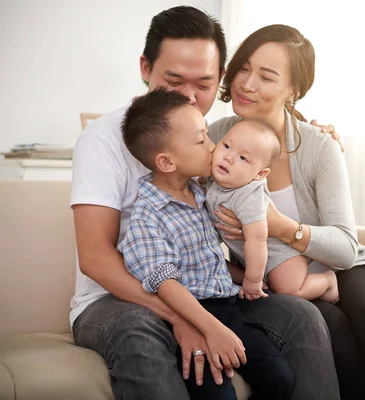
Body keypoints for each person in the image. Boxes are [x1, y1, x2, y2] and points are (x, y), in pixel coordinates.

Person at [70, 6, 340, 400]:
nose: (190, 98)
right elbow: (95, 258)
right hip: (115, 300)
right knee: (138, 333)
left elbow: (256, 161)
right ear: (145, 67)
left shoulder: (210, 140)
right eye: (174, 81)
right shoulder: (102, 140)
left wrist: (318, 132)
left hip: (204, 292)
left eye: (204, 84)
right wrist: (183, 319)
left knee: (300, 316)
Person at [208, 24, 365, 400]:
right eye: (243, 69)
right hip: (283, 281)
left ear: (293, 91)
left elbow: (346, 248)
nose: (246, 84)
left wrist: (282, 227)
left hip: (345, 267)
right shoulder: (217, 136)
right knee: (331, 328)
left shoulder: (317, 146)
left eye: (266, 76)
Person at [117, 88, 293, 399]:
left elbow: (208, 259)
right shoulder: (148, 216)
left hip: (227, 307)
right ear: (167, 162)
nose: (214, 148)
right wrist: (211, 329)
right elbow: (166, 285)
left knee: (279, 377)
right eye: (203, 141)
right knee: (217, 395)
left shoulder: (203, 192)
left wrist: (256, 277)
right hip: (189, 316)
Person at [205, 119, 339, 303]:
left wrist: (253, 280)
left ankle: (327, 281)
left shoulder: (248, 196)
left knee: (288, 290)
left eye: (243, 158)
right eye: (226, 146)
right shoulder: (216, 182)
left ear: (260, 174)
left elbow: (257, 240)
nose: (229, 157)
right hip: (256, 261)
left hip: (281, 255)